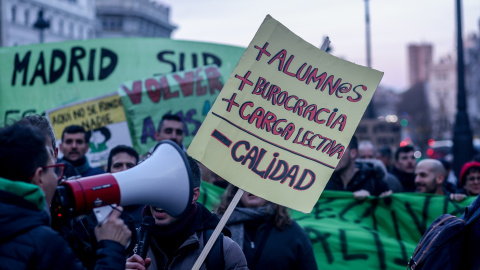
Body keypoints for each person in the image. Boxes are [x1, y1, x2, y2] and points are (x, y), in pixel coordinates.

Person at [0, 121, 131, 269]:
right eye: (54, 169)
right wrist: (111, 248)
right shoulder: (45, 243)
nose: (57, 179)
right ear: (39, 177)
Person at [125, 156, 248, 270]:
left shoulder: (224, 250)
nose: (160, 199)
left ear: (193, 195)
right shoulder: (127, 244)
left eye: (170, 190)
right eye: (156, 188)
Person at [216, 185, 318, 270]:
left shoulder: (294, 233)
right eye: (247, 181)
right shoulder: (218, 228)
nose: (252, 187)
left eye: (260, 181)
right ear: (236, 189)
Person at [325, 135, 391, 198]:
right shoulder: (324, 182)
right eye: (330, 150)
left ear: (353, 153)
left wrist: (372, 200)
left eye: (339, 150)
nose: (332, 154)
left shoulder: (374, 183)